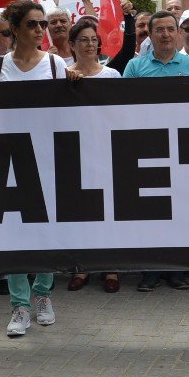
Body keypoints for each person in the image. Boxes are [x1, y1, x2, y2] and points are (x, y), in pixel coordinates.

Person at [0, 0, 70, 337]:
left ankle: (43, 296)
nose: (40, 31)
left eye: (43, 25)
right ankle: (19, 305)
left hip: (48, 161)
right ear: (15, 28)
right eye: (33, 24)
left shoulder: (55, 64)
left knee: (46, 230)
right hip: (10, 162)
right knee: (14, 234)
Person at [124, 11, 189, 291]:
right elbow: (124, 108)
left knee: (180, 208)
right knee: (150, 210)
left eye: (171, 29)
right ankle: (150, 270)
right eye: (160, 30)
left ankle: (176, 269)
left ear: (178, 33)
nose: (166, 34)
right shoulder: (135, 67)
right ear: (151, 34)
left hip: (184, 146)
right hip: (148, 146)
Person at [63, 18, 121, 293]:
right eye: (83, 40)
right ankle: (83, 267)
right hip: (75, 153)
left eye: (93, 39)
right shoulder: (60, 75)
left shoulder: (111, 76)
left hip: (106, 150)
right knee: (82, 212)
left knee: (108, 210)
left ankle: (111, 268)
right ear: (72, 45)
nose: (89, 44)